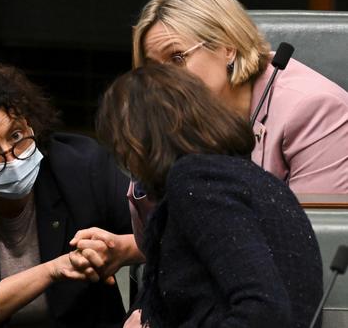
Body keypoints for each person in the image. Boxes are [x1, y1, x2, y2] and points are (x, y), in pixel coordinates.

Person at [74, 64, 323, 328]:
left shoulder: (196, 180)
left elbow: (264, 311)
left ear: (138, 139)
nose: (125, 160)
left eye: (121, 146)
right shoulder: (252, 179)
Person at [0, 64, 137, 328]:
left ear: (32, 125)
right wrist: (52, 270)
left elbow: (167, 234)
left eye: (16, 135)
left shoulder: (82, 165)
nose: (10, 157)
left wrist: (121, 249)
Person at [132, 0, 348, 194]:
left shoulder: (314, 110)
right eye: (153, 68)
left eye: (177, 58)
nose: (163, 79)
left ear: (227, 47)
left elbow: (310, 227)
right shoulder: (181, 117)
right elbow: (168, 224)